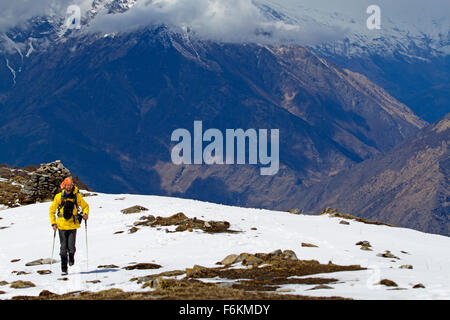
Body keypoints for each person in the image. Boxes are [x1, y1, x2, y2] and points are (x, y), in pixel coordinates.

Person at [49, 177, 89, 275]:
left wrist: (85, 213)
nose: (69, 187)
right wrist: (53, 223)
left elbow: (85, 206)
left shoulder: (77, 196)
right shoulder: (59, 197)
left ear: (72, 185)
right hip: (61, 225)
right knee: (63, 248)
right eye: (67, 185)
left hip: (72, 225)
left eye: (70, 185)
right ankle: (64, 268)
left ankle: (71, 257)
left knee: (71, 247)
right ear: (64, 185)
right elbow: (52, 211)